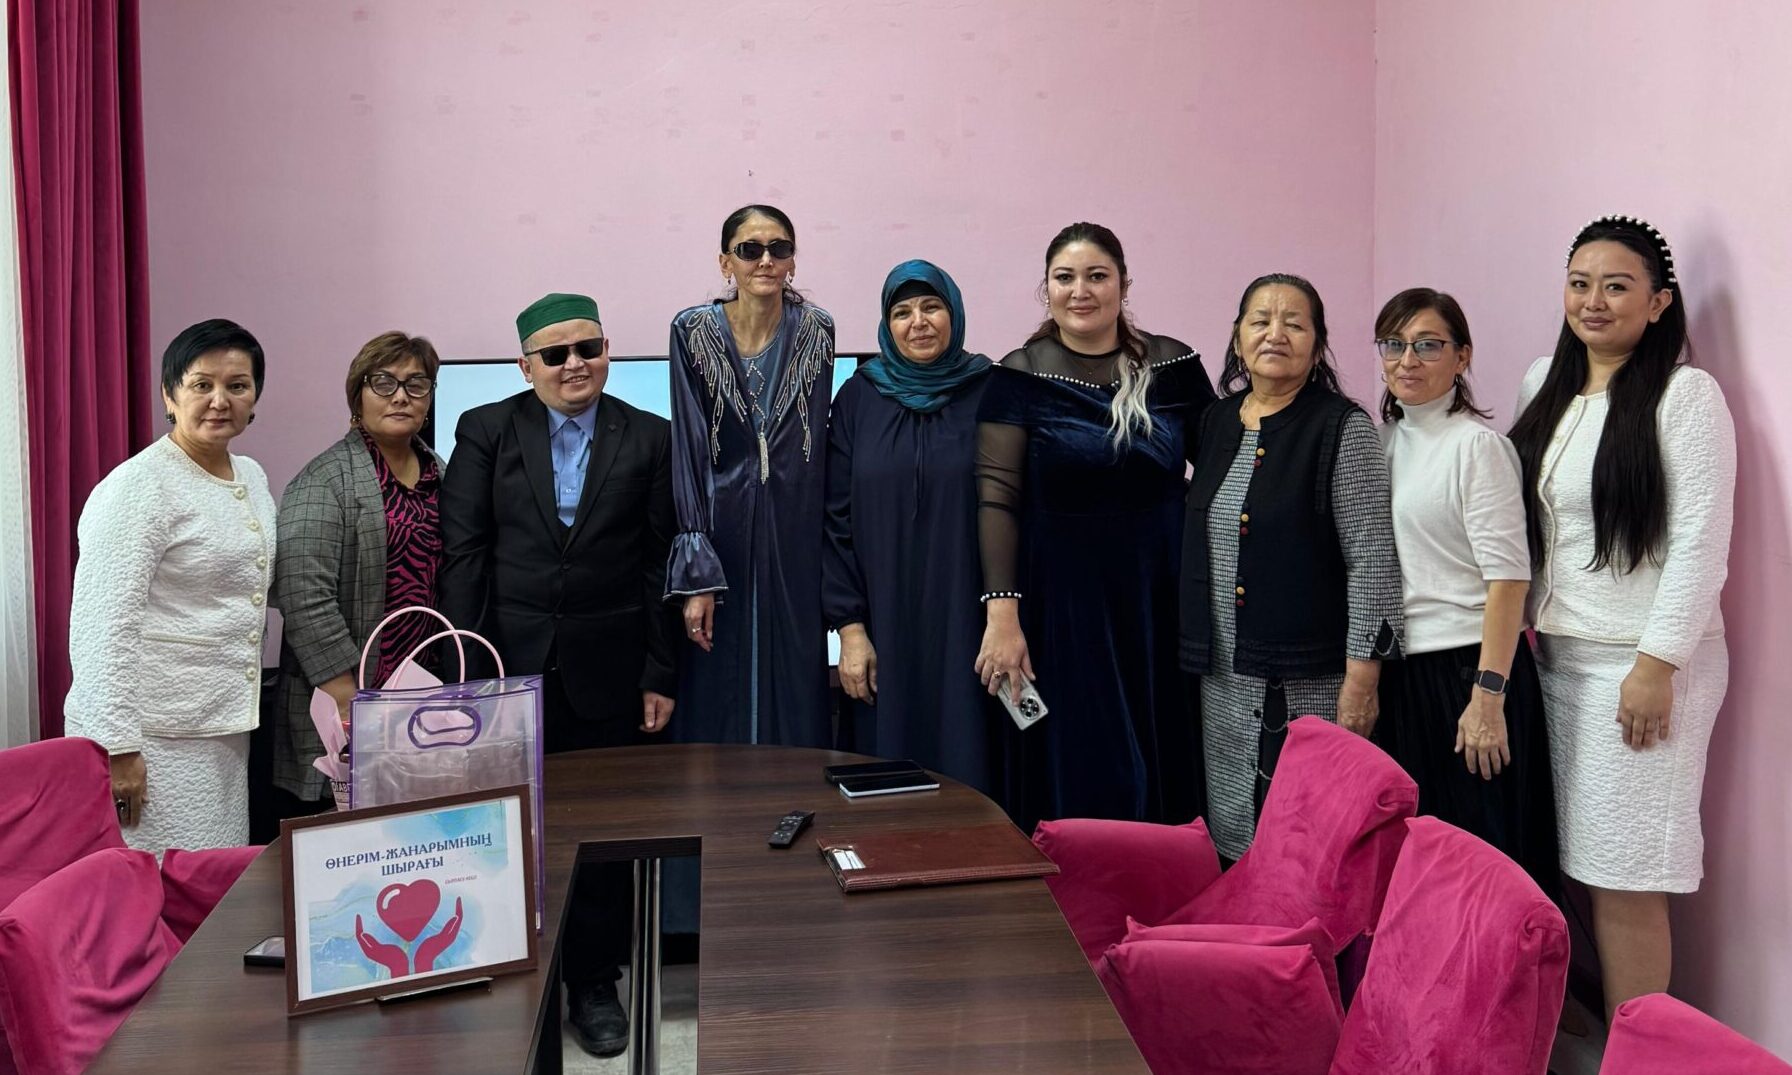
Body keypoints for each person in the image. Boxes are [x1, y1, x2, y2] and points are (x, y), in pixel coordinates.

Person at [438, 292, 679, 1057]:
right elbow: (465, 554)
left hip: (610, 669)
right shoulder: (485, 430)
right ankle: (508, 978)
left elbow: (658, 562)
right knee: (505, 832)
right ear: (526, 365)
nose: (575, 364)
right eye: (556, 353)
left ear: (607, 350)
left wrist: (659, 671)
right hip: (507, 669)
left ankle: (595, 984)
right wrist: (468, 672)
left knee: (602, 838)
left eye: (589, 348)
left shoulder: (651, 436)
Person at [1509, 215, 1734, 1021]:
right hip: (1555, 657)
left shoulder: (1684, 395)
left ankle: (1642, 1053)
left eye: (1616, 286)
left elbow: (1702, 541)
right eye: (1580, 283)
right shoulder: (1544, 383)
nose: (1593, 301)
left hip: (1642, 667)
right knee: (1576, 861)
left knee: (1627, 873)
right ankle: (1601, 1032)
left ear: (1658, 301)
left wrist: (1656, 664)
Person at [974, 222, 1214, 832]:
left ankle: (1163, 878)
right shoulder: (1018, 375)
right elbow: (997, 498)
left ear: (1123, 285)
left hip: (1160, 595)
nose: (1080, 291)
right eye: (1065, 277)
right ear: (1046, 289)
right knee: (1079, 749)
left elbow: (1220, 470)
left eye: (1097, 276)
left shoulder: (1175, 364)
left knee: (1162, 747)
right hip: (1063, 601)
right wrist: (1002, 615)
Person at [1181, 273, 1403, 862]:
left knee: (1303, 842)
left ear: (1317, 342)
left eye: (1294, 323)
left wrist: (1362, 681)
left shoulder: (1342, 427)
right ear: (1238, 336)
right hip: (1223, 673)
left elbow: (1372, 560)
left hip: (1310, 676)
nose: (1275, 334)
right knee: (1233, 832)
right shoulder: (1216, 421)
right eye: (1260, 321)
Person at [65, 319, 276, 855]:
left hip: (223, 724)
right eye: (202, 384)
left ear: (254, 397)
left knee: (213, 875)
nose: (220, 400)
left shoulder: (251, 476)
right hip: (151, 734)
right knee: (156, 879)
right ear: (169, 394)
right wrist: (116, 746)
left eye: (237, 385)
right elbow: (101, 626)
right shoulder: (138, 487)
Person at [1372, 288, 1558, 894]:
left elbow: (1509, 580)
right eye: (1394, 344)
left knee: (1479, 866)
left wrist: (1488, 697)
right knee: (1418, 868)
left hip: (1469, 674)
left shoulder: (1477, 447)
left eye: (1428, 345)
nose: (1408, 360)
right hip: (1402, 673)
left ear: (1462, 356)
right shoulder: (1380, 442)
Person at [823, 259, 995, 792]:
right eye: (902, 312)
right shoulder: (858, 398)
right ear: (887, 324)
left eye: (931, 307)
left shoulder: (992, 392)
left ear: (954, 314)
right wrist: (850, 631)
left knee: (973, 763)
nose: (918, 322)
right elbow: (833, 519)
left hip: (971, 623)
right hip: (883, 628)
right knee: (885, 778)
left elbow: (1015, 510)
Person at [667, 204, 835, 746]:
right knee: (717, 667)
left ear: (792, 260)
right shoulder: (692, 330)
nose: (765, 260)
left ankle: (795, 781)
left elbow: (810, 443)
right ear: (726, 262)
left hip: (794, 531)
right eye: (750, 249)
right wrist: (697, 568)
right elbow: (689, 444)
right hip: (720, 531)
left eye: (779, 249)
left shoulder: (817, 330)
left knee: (795, 668)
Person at [269, 331, 446, 820]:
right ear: (357, 396)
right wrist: (350, 703)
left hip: (423, 696)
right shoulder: (323, 480)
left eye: (416, 384)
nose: (400, 396)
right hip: (347, 699)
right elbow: (303, 596)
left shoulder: (440, 472)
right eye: (383, 382)